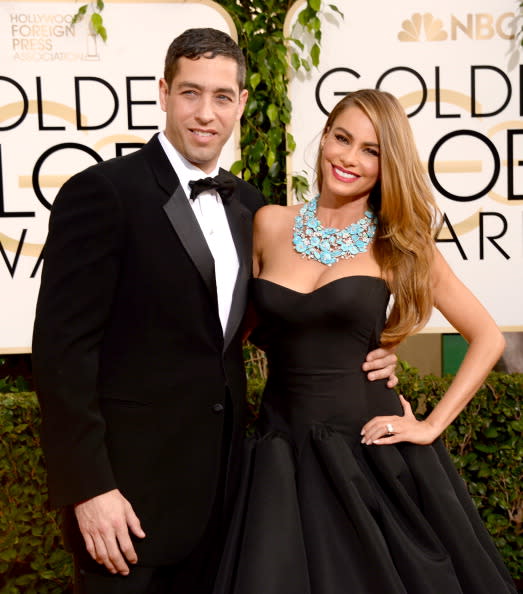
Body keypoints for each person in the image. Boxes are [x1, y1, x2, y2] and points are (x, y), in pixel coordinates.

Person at [31, 30, 397, 594]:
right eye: (190, 93)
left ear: (242, 104)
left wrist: (372, 355)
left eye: (223, 97)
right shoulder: (103, 193)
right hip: (126, 508)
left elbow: (278, 322)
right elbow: (61, 355)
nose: (206, 114)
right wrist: (89, 489)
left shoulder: (251, 207)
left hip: (229, 503)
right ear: (163, 92)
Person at [212, 89, 517, 594]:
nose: (349, 158)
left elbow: (486, 337)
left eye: (370, 150)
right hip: (280, 450)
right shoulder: (269, 223)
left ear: (387, 163)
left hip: (368, 451)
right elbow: (240, 330)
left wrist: (429, 425)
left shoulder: (397, 242)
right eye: (342, 138)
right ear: (326, 136)